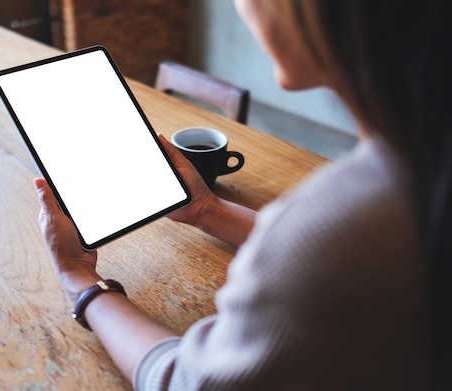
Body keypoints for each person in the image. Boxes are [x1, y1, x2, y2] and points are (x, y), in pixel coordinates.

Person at [34, 0, 452, 389]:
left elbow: (187, 380)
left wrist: (79, 280)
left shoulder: (352, 223)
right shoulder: (417, 164)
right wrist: (207, 210)